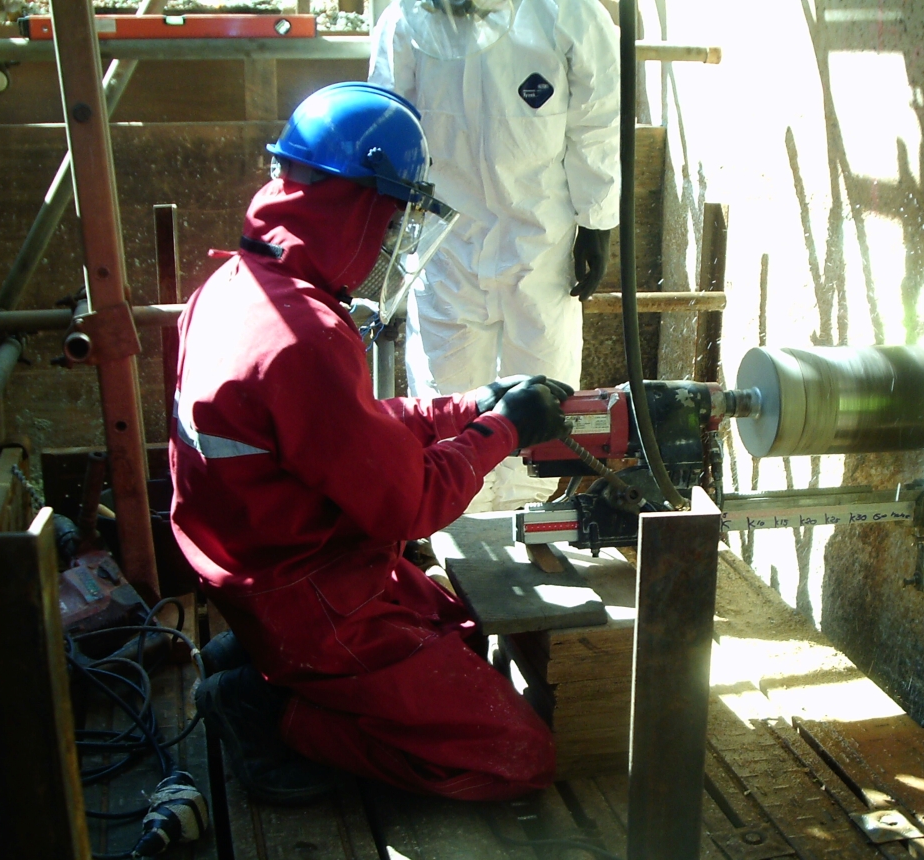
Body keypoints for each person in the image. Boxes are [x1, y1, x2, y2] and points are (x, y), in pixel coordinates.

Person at [169, 82, 573, 804]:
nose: (390, 242)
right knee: (515, 756)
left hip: (264, 570)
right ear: (356, 206)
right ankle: (274, 709)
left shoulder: (233, 290)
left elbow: (341, 431)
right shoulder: (305, 339)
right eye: (391, 223)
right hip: (312, 601)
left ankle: (255, 660)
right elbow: (409, 505)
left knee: (460, 626)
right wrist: (506, 430)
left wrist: (469, 405)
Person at [369, 0, 620, 511]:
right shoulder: (409, 20)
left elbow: (597, 118)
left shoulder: (565, 14)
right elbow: (387, 121)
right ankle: (462, 530)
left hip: (541, 238)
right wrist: (387, 222)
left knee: (544, 387)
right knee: (448, 395)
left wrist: (598, 221)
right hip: (445, 244)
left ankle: (531, 519)